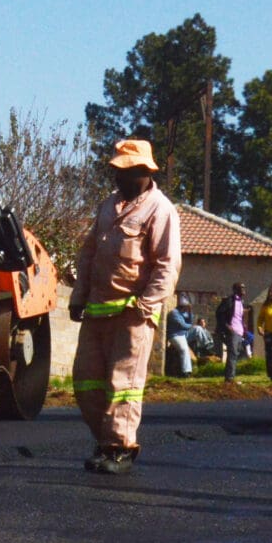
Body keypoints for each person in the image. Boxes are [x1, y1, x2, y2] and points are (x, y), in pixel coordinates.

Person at [67, 139, 181, 476]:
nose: (118, 177)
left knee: (123, 384)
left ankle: (120, 448)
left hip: (133, 314)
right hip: (98, 311)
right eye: (116, 171)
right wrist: (78, 297)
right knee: (87, 382)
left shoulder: (160, 210)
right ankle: (105, 441)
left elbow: (167, 265)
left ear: (145, 172)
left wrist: (146, 305)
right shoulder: (107, 207)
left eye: (125, 171)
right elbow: (89, 254)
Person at [221, 282, 251, 381]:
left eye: (244, 288)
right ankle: (229, 377)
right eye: (241, 288)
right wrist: (226, 326)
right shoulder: (229, 301)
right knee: (232, 353)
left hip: (240, 331)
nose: (243, 290)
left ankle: (232, 375)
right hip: (232, 330)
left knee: (238, 353)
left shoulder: (241, 302)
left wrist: (244, 328)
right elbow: (219, 313)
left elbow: (240, 317)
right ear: (235, 290)